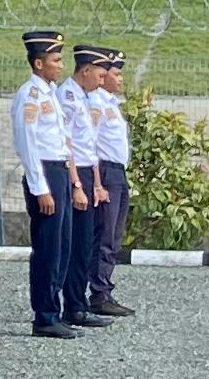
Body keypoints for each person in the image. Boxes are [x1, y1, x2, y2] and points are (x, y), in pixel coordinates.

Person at [15, 30, 100, 339]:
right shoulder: (31, 95)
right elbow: (27, 143)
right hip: (46, 174)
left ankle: (55, 309)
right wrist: (41, 188)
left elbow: (63, 139)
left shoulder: (49, 92)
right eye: (55, 60)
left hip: (60, 170)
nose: (61, 65)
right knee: (49, 248)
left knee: (62, 247)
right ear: (38, 63)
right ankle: (45, 314)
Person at [76, 46, 137, 320]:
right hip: (105, 173)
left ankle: (104, 289)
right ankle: (98, 292)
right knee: (104, 235)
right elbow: (92, 144)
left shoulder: (110, 103)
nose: (119, 79)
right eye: (115, 73)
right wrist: (98, 182)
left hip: (117, 172)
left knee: (114, 235)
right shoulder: (96, 103)